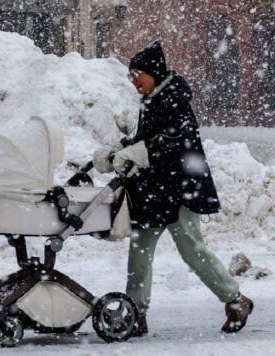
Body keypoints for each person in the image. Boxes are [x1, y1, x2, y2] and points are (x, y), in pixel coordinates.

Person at [92, 40, 253, 336]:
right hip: (153, 192)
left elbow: (175, 142)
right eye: (130, 74)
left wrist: (139, 153)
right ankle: (136, 314)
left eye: (137, 73)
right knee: (140, 250)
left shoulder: (175, 100)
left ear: (154, 72)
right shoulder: (152, 99)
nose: (133, 80)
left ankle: (236, 299)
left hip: (180, 190)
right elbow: (147, 138)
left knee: (192, 250)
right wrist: (118, 149)